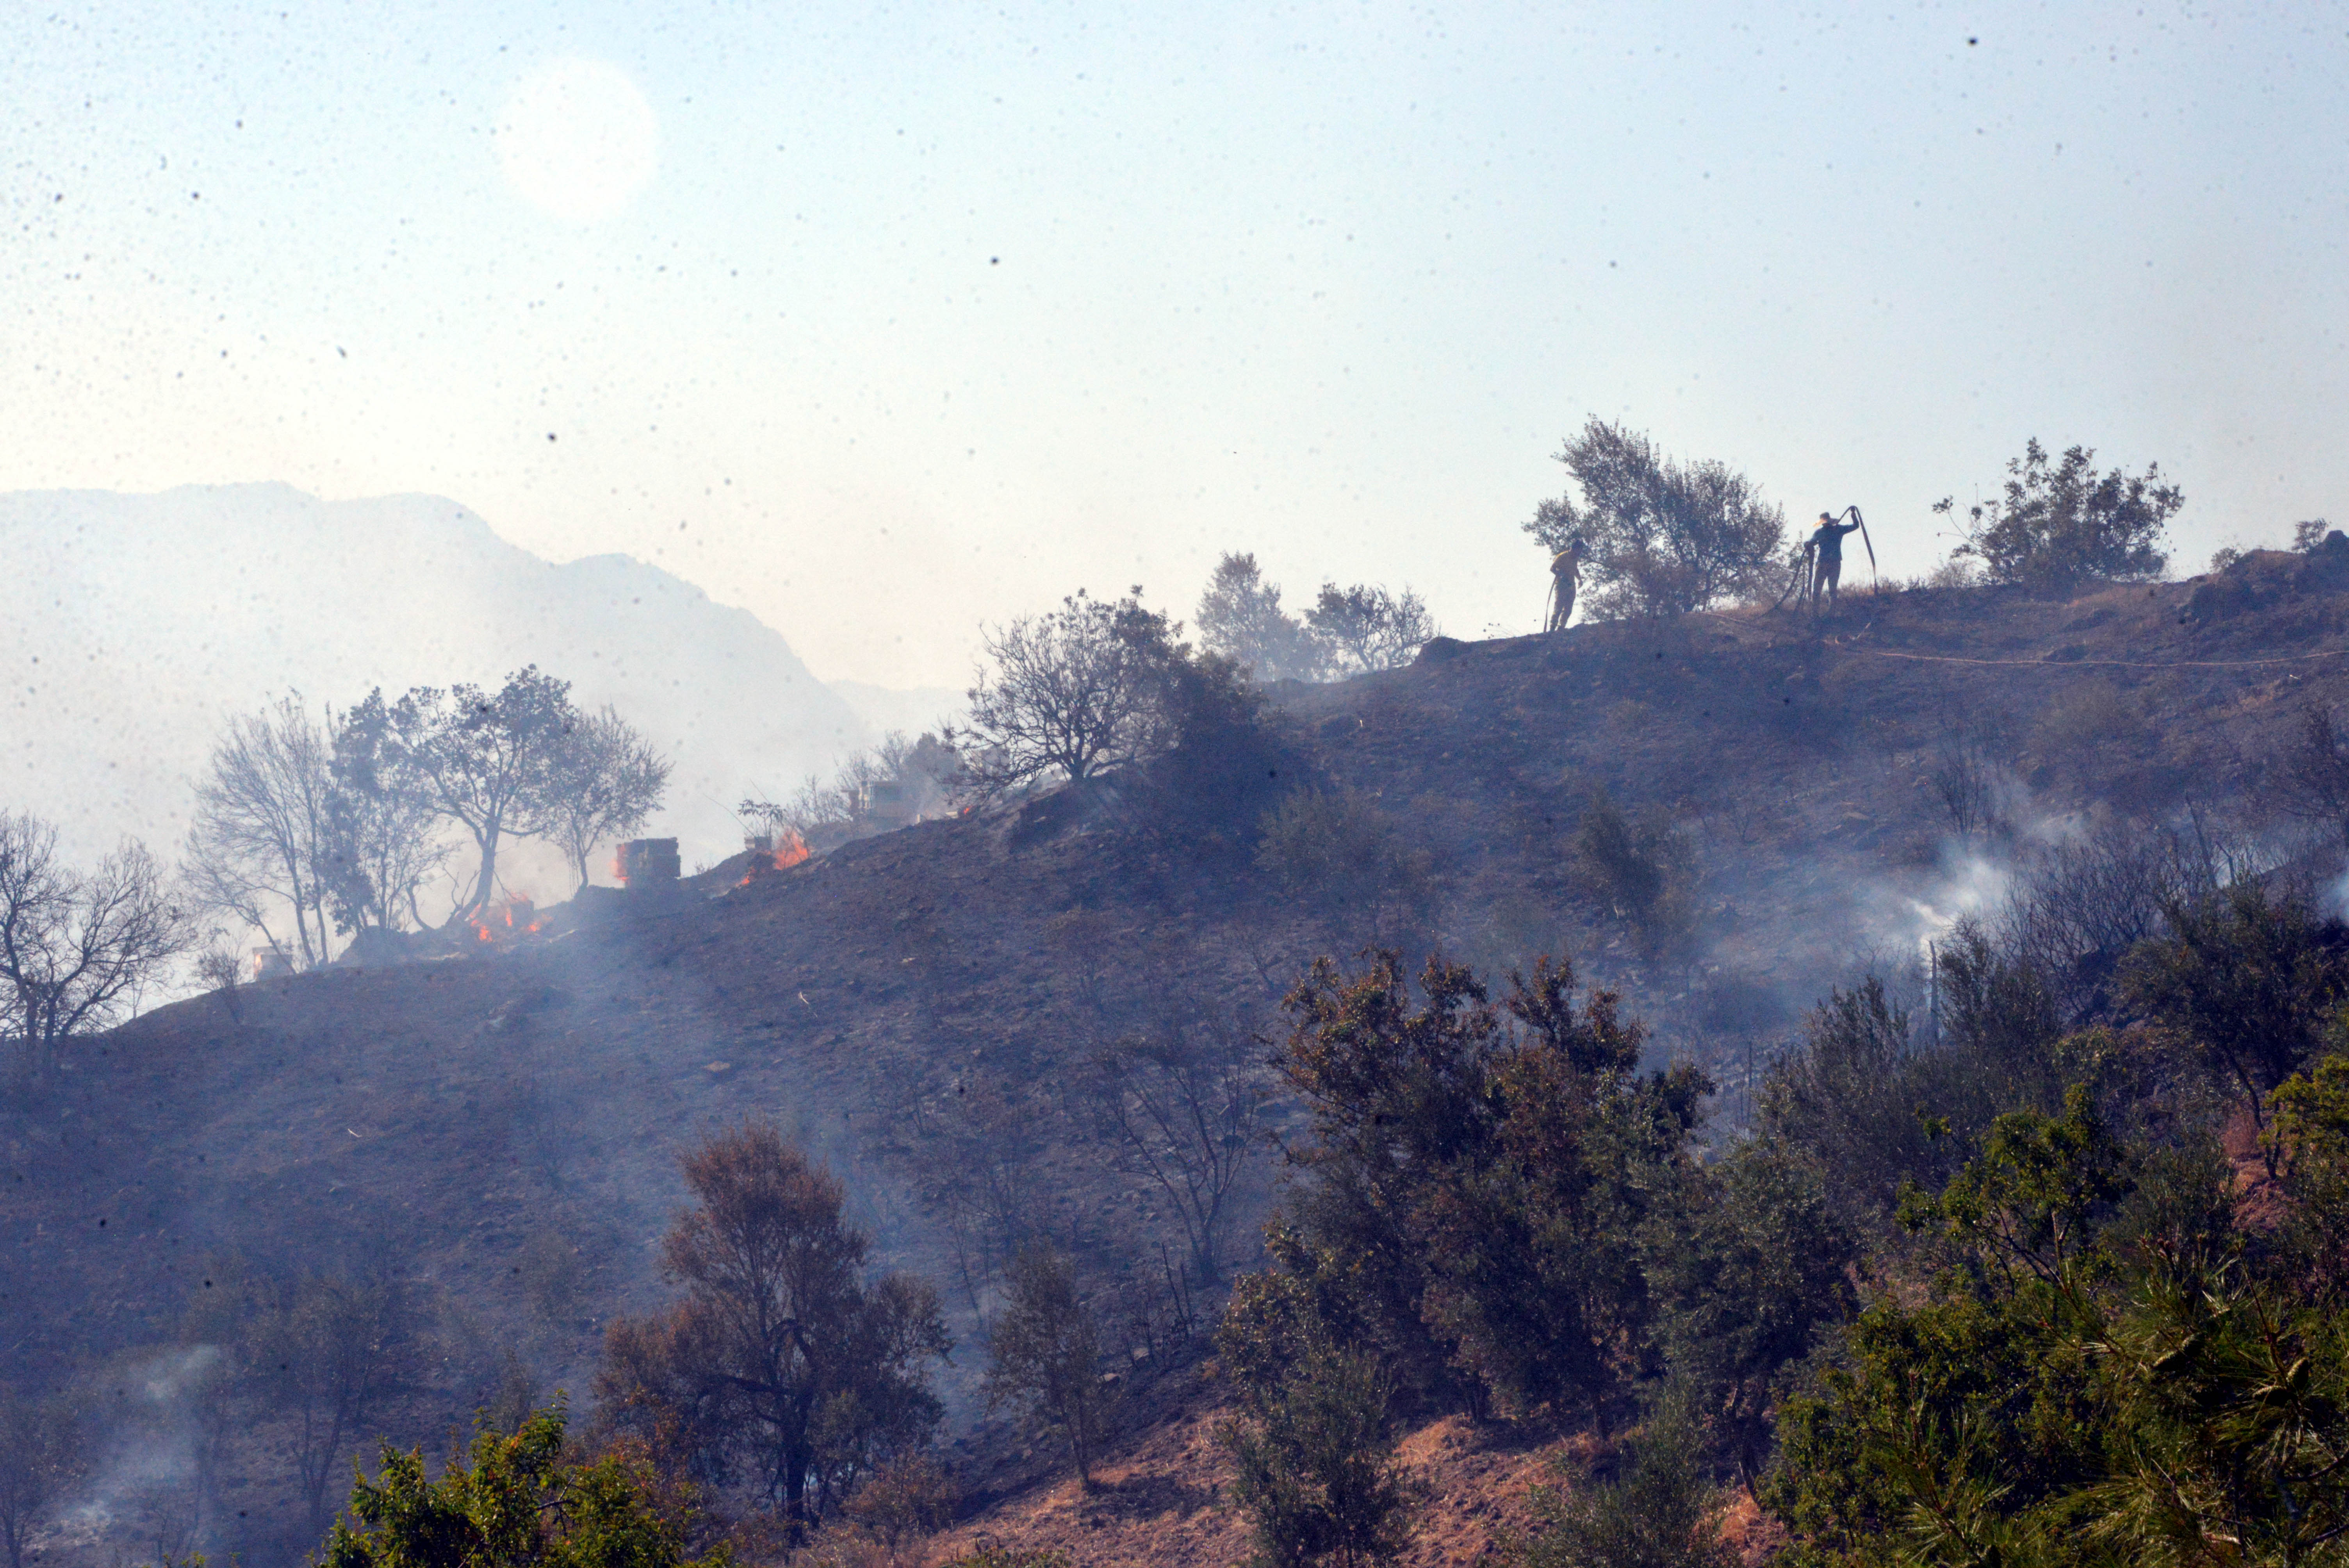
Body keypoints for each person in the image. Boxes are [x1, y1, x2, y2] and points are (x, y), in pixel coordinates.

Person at [1808, 511, 1862, 608]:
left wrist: (1807, 544)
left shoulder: (1820, 532)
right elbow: (1856, 526)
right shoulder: (1839, 529)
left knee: (1817, 590)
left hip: (1823, 563)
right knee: (1832, 591)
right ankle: (1829, 614)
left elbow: (1811, 543)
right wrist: (1854, 517)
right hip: (1834, 562)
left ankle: (1816, 615)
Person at [1546, 541, 1583, 632]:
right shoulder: (1562, 556)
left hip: (1571, 585)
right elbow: (1553, 568)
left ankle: (1561, 628)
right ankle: (1552, 628)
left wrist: (1580, 579)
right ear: (1574, 549)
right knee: (1559, 606)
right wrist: (1561, 575)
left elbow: (1575, 570)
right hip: (1561, 585)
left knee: (1568, 608)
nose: (1579, 553)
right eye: (1578, 550)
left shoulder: (1576, 558)